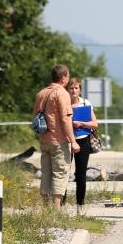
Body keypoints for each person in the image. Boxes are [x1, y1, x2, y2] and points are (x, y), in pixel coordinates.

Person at [33, 65, 80, 208]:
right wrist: (73, 142)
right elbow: (66, 120)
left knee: (46, 173)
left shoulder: (41, 94)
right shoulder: (62, 94)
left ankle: (46, 208)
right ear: (63, 78)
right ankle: (57, 211)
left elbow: (35, 116)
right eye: (68, 76)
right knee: (60, 174)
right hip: (59, 141)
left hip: (44, 140)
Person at [67, 77, 98, 216]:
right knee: (64, 174)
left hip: (83, 140)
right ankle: (61, 204)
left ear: (80, 90)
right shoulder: (64, 103)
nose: (73, 90)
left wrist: (81, 123)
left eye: (76, 88)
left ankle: (80, 205)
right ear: (67, 90)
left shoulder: (85, 103)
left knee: (80, 175)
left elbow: (95, 124)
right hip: (66, 141)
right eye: (71, 88)